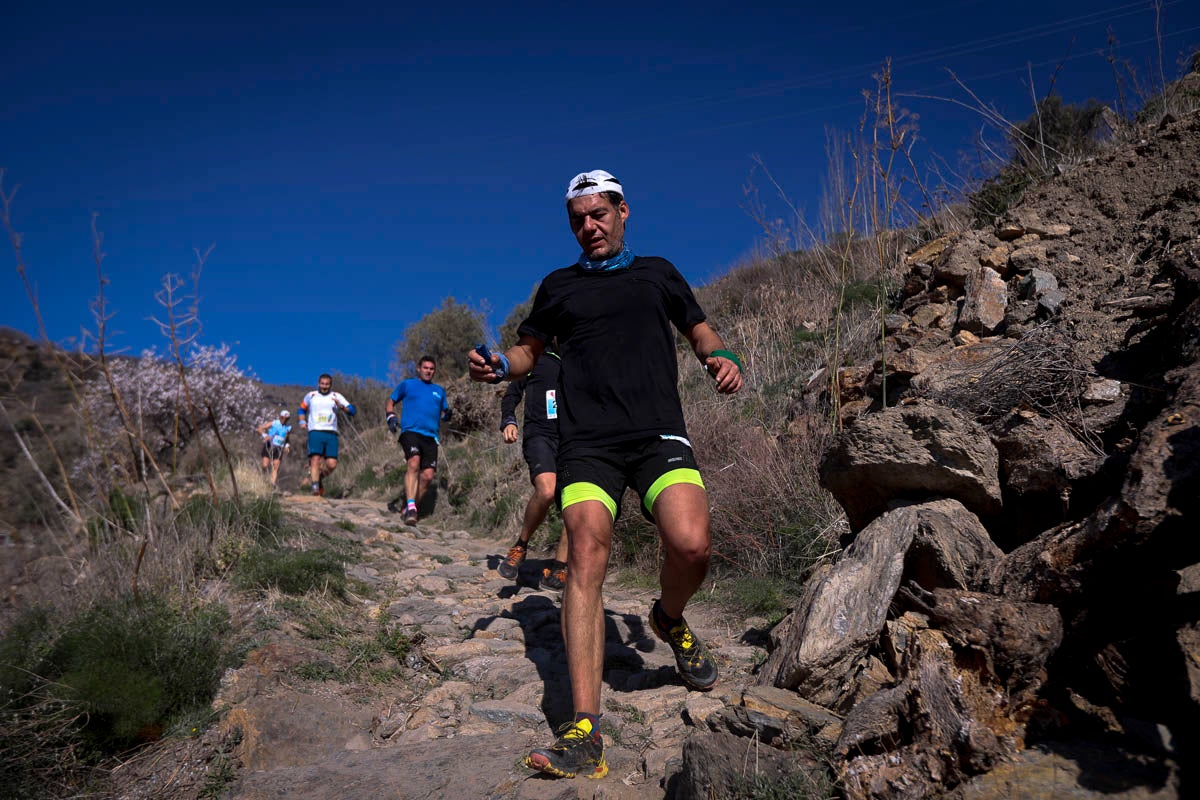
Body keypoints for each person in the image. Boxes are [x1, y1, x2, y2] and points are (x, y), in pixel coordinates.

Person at [469, 169, 743, 780]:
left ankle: (668, 619)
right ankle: (584, 729)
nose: (588, 227)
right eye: (578, 220)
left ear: (623, 212)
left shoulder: (658, 272)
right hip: (587, 444)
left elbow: (698, 327)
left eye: (598, 214)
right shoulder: (559, 286)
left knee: (692, 546)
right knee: (587, 553)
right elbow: (529, 352)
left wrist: (717, 356)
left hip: (656, 434)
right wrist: (499, 365)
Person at [497, 346, 570, 591]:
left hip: (572, 441)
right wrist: (509, 420)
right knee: (547, 490)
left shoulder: (577, 359)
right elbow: (511, 394)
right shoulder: (535, 358)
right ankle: (520, 546)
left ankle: (558, 569)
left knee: (576, 503)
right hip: (540, 436)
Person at [385, 355, 452, 524]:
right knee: (413, 463)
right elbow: (390, 401)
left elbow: (445, 413)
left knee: (428, 476)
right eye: (425, 368)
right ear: (418, 368)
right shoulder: (408, 385)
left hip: (431, 436)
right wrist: (391, 416)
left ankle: (410, 507)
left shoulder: (439, 391)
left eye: (431, 369)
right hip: (411, 432)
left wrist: (447, 415)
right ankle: (412, 508)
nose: (428, 371)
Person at [297, 373, 356, 497]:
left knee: (332, 464)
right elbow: (302, 409)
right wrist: (302, 421)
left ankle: (318, 478)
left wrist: (341, 407)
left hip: (331, 433)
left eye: (327, 384)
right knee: (315, 459)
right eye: (322, 384)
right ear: (318, 383)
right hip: (315, 431)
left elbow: (352, 410)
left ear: (330, 385)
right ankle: (315, 489)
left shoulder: (336, 396)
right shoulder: (311, 395)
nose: (324, 386)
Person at [255, 409, 292, 487]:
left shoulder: (288, 428)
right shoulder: (274, 423)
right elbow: (259, 429)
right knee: (265, 465)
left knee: (276, 466)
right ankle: (261, 477)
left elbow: (287, 438)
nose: (284, 420)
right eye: (282, 418)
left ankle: (272, 485)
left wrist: (287, 446)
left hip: (279, 448)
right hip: (269, 445)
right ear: (280, 417)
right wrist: (265, 436)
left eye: (286, 419)